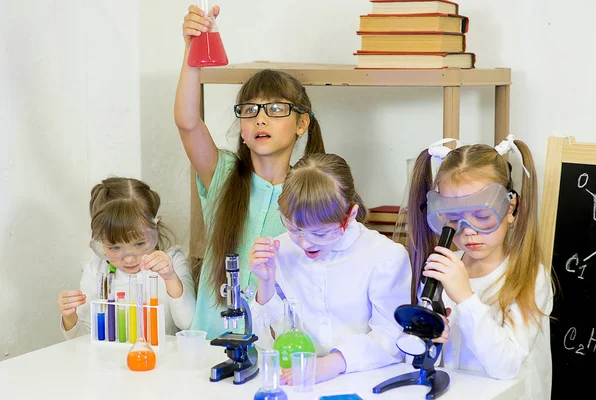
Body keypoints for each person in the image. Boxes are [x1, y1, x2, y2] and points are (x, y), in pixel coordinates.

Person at [175, 4, 326, 338]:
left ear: (302, 123)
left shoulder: (311, 191)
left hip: (275, 351)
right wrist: (192, 49)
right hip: (210, 346)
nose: (260, 118)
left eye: (275, 109)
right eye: (249, 110)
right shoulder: (224, 173)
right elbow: (187, 122)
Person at [249, 153, 421, 385]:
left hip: (365, 381)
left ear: (350, 215)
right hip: (296, 381)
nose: (305, 243)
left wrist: (333, 363)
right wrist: (266, 282)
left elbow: (392, 337)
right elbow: (265, 341)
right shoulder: (282, 249)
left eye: (320, 233)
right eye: (295, 229)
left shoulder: (384, 256)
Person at [407, 136, 554, 400]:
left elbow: (505, 366)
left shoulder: (531, 277)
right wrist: (429, 339)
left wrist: (465, 297)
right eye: (454, 218)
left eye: (482, 216)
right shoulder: (443, 269)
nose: (469, 231)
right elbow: (417, 360)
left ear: (510, 208)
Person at [57, 177, 196, 338]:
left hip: (163, 359)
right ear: (100, 240)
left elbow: (189, 324)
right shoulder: (96, 269)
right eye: (115, 247)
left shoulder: (172, 261)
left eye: (139, 244)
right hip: (109, 361)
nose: (129, 259)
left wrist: (170, 277)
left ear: (155, 228)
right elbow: (83, 340)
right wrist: (69, 316)